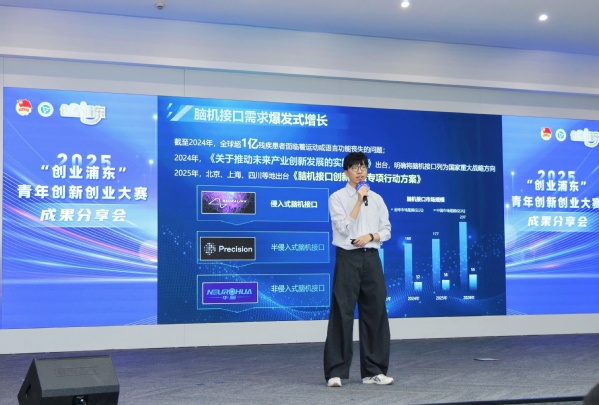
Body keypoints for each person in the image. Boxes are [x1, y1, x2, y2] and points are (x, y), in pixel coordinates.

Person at [323, 151, 393, 387]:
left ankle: (374, 371)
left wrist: (371, 236)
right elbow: (343, 228)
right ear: (346, 172)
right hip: (348, 258)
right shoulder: (337, 197)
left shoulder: (377, 199)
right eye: (355, 167)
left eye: (363, 167)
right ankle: (335, 372)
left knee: (375, 312)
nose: (360, 171)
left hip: (371, 258)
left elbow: (386, 230)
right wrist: (358, 200)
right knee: (342, 313)